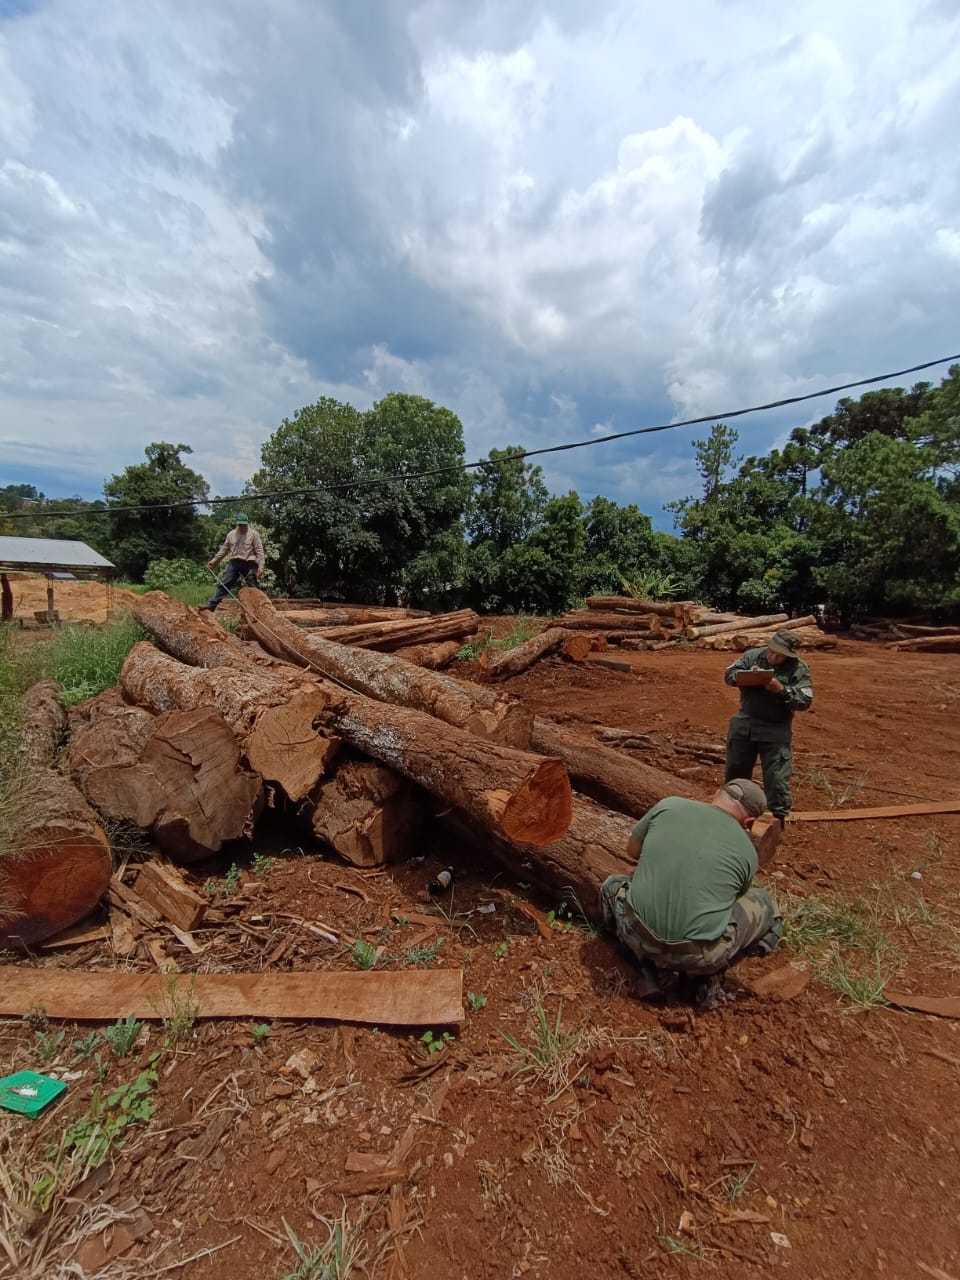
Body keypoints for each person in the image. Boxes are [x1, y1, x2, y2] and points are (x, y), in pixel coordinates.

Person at [599, 780, 782, 1011]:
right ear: (749, 822)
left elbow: (632, 851)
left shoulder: (670, 805)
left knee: (613, 884)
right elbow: (732, 898)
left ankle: (642, 966)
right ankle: (702, 977)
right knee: (769, 910)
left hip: (638, 936)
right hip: (700, 955)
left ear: (716, 794)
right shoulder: (748, 852)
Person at [723, 629, 814, 828]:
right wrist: (744, 677)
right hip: (745, 722)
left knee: (776, 777)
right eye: (772, 652)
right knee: (736, 771)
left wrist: (782, 690)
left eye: (779, 655)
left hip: (775, 727)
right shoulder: (752, 655)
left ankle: (776, 820)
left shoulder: (798, 669)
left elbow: (805, 700)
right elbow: (729, 674)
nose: (773, 656)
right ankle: (730, 815)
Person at [202, 512, 265, 612]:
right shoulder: (231, 535)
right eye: (240, 524)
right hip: (234, 562)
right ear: (237, 524)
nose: (241, 527)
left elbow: (259, 551)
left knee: (253, 585)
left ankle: (260, 609)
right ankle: (212, 605)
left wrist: (261, 566)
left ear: (247, 523)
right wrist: (214, 561)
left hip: (248, 563)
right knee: (225, 583)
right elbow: (224, 550)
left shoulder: (254, 534)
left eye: (243, 525)